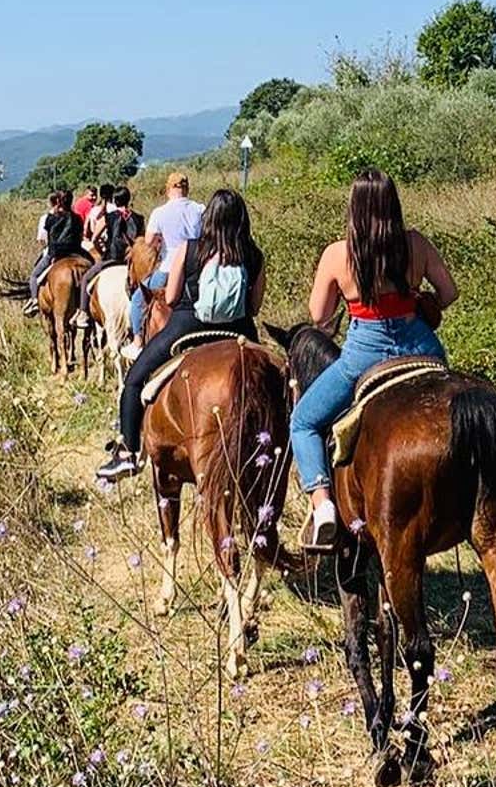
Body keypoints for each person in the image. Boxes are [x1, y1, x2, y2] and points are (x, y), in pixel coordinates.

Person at [288, 169, 458, 550]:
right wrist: (416, 299)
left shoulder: (338, 253)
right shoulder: (416, 244)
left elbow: (318, 316)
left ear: (354, 207)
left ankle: (323, 505)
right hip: (422, 347)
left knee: (303, 422)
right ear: (393, 204)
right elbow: (449, 292)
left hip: (363, 354)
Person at [95, 187, 268, 481]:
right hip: (238, 330)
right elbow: (254, 307)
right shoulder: (253, 255)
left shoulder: (190, 248)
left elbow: (172, 297)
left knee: (135, 379)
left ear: (209, 217)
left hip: (188, 326)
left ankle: (126, 453)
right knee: (275, 383)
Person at [132, 172, 204, 348]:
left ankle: (137, 340)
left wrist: (160, 240)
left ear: (168, 189)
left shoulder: (160, 212)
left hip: (168, 268)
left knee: (137, 299)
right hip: (196, 269)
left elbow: (149, 241)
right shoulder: (200, 209)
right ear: (187, 188)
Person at [23, 191, 69, 315]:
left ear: (51, 203)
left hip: (52, 252)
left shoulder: (46, 218)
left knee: (33, 276)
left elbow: (42, 239)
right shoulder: (69, 216)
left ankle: (34, 301)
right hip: (70, 251)